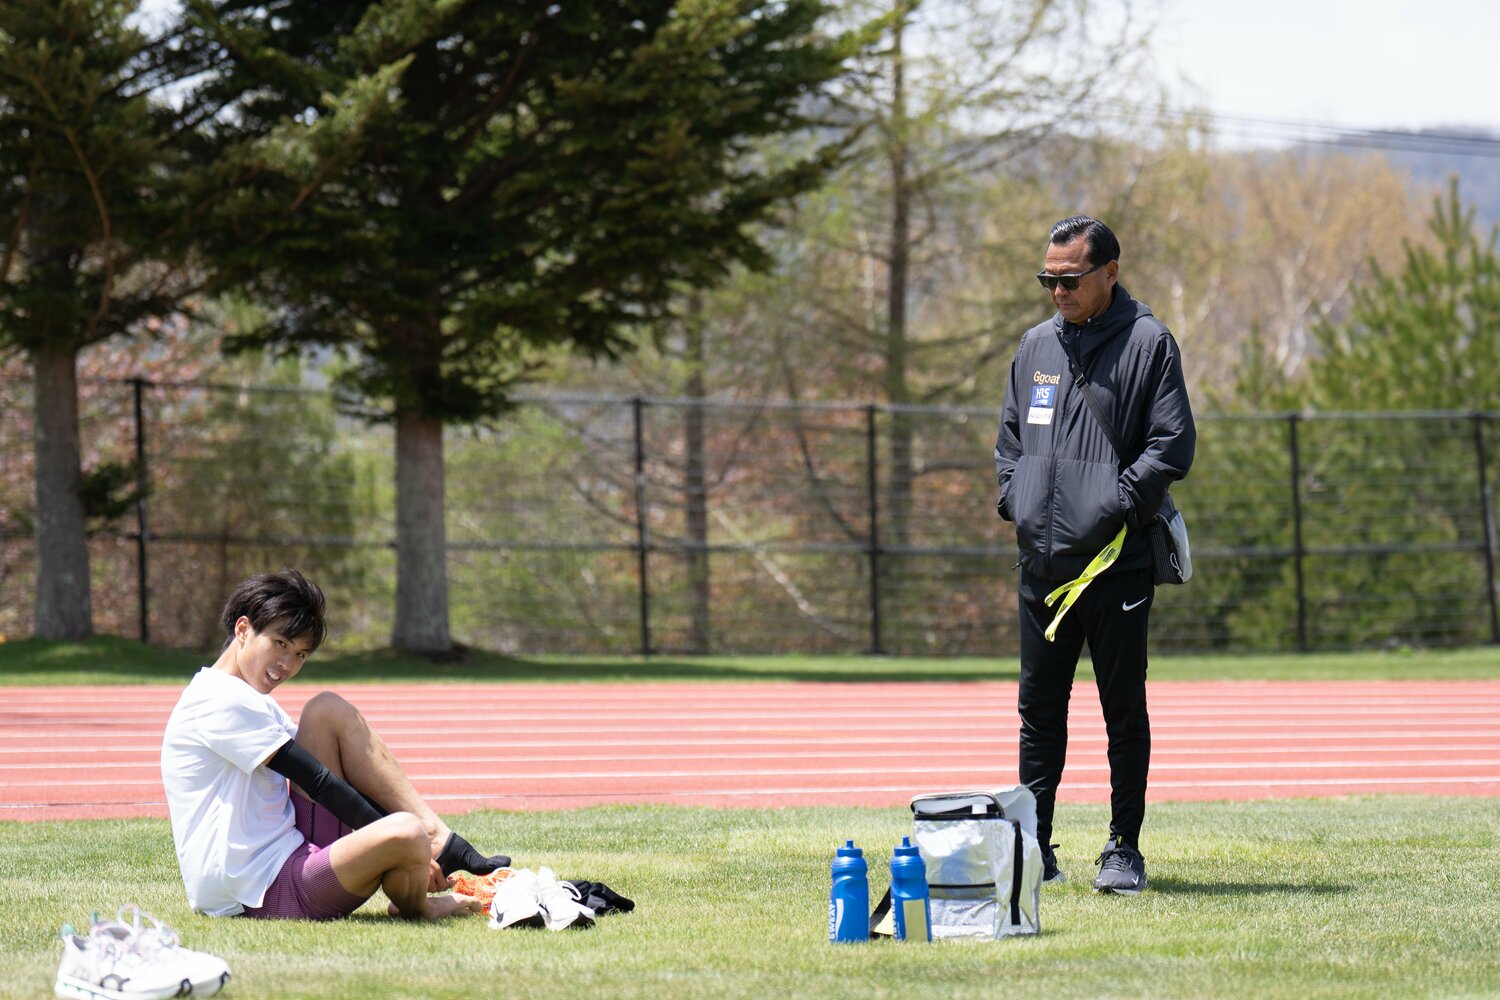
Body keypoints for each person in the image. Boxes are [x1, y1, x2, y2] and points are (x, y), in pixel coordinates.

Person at [994, 216, 1195, 895]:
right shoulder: (1033, 347)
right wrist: (1014, 501)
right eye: (1047, 279)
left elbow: (1171, 446)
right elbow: (1011, 442)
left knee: (1121, 710)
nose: (1057, 291)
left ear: (1109, 271)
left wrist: (1112, 510)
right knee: (1038, 713)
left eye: (1069, 279)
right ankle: (1034, 848)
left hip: (1116, 567)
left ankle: (1122, 849)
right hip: (1042, 567)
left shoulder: (1149, 343)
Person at [160, 569, 510, 920]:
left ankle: (437, 838)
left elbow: (344, 774)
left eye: (300, 654)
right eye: (280, 644)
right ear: (242, 630)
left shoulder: (248, 697)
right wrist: (406, 845)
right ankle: (420, 904)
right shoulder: (216, 700)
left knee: (326, 711)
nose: (286, 665)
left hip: (291, 856)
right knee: (406, 832)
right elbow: (318, 781)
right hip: (261, 891)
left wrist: (416, 847)